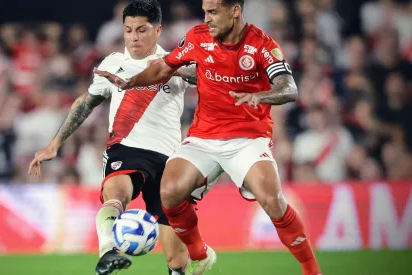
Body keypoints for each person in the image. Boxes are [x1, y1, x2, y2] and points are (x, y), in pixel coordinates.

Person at [94, 0, 323, 275]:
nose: (207, 18)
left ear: (235, 11)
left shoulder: (262, 45)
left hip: (247, 138)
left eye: (213, 12)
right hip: (203, 136)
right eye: (205, 11)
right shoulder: (196, 38)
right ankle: (200, 255)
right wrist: (131, 82)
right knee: (169, 191)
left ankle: (311, 270)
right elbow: (164, 67)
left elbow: (288, 88)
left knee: (272, 200)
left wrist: (259, 96)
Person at [28, 1, 214, 275]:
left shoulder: (173, 62)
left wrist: (174, 69)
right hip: (126, 149)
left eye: (141, 29)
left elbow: (210, 77)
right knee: (115, 195)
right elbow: (85, 102)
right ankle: (107, 254)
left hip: (169, 161)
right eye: (128, 30)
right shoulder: (113, 63)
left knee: (176, 261)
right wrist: (55, 143)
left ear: (158, 30)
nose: (134, 37)